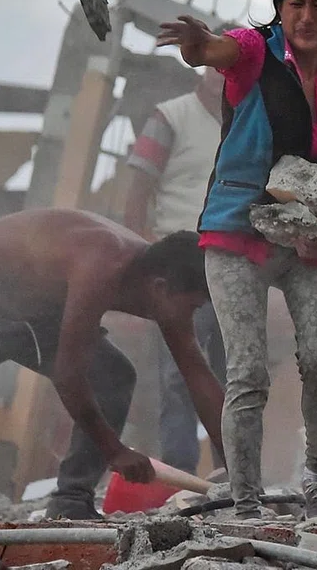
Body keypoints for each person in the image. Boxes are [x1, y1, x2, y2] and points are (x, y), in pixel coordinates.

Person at [156, 0, 317, 520]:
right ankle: (248, 497)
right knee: (249, 370)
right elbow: (215, 50)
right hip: (238, 231)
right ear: (281, 9)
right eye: (295, 3)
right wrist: (196, 46)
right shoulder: (256, 51)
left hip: (316, 242)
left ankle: (316, 477)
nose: (306, 15)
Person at [0, 209, 225, 520]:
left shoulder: (165, 287)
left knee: (113, 377)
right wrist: (114, 451)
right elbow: (68, 374)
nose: (191, 317)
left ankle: (71, 500)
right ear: (161, 287)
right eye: (193, 307)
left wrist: (235, 470)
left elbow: (199, 378)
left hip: (36, 313)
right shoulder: (102, 262)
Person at [123, 69, 228, 475]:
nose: (225, 75)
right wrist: (139, 264)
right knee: (180, 373)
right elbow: (136, 194)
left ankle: (232, 473)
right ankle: (181, 474)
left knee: (234, 374)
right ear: (204, 69)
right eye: (218, 65)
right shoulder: (170, 118)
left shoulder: (246, 121)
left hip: (233, 265)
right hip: (183, 267)